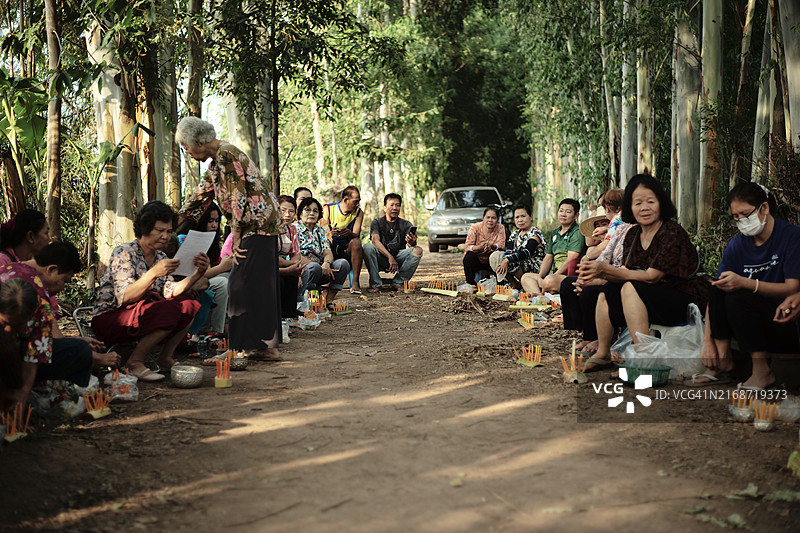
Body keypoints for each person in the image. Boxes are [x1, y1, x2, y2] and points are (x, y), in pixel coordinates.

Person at [176, 116, 285, 362]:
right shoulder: (217, 162)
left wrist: (235, 236)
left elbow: (238, 198)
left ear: (197, 141)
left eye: (186, 147)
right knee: (257, 286)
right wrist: (173, 222)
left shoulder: (227, 154)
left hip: (255, 227)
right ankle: (266, 346)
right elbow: (200, 196)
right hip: (258, 227)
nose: (188, 153)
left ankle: (237, 349)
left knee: (239, 283)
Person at [579, 174, 709, 372]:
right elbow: (626, 271)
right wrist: (596, 274)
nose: (644, 207)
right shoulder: (632, 234)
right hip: (650, 296)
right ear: (630, 208)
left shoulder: (671, 232)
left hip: (683, 299)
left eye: (650, 201)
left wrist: (605, 268)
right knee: (607, 290)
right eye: (637, 202)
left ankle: (645, 357)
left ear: (661, 203)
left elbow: (652, 276)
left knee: (630, 288)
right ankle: (603, 352)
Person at [691, 183, 800, 390]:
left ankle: (761, 371)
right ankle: (723, 359)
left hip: (783, 319)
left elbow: (792, 288)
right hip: (745, 325)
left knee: (738, 294)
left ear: (764, 208)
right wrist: (707, 340)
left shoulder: (791, 237)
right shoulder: (736, 245)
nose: (741, 220)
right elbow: (716, 289)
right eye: (736, 217)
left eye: (745, 214)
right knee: (718, 287)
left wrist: (747, 283)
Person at [93, 201, 208, 381]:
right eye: (160, 230)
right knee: (169, 310)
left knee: (189, 304)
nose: (165, 236)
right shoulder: (124, 252)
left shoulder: (161, 256)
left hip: (141, 314)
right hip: (112, 317)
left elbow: (171, 291)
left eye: (169, 231)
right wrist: (154, 273)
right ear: (145, 229)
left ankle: (165, 358)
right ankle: (134, 362)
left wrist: (197, 274)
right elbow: (124, 298)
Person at [0, 243, 102, 404]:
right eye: (64, 280)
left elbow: (34, 354)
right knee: (80, 352)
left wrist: (21, 402)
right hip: (11, 359)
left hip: (16, 357)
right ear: (52, 269)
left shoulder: (9, 269)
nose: (62, 287)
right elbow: (35, 355)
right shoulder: (40, 297)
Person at [561, 190, 631, 355]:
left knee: (588, 291)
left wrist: (593, 275)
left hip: (622, 276)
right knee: (569, 284)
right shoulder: (617, 224)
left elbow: (608, 258)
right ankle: (588, 335)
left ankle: (603, 338)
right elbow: (603, 252)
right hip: (611, 271)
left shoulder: (621, 222)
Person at [176, 202, 233, 339]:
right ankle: (213, 330)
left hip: (205, 280)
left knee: (232, 277)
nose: (214, 225)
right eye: (210, 221)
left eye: (217, 221)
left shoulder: (212, 240)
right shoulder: (183, 239)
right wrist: (221, 268)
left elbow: (214, 267)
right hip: (187, 283)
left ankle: (229, 322)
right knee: (222, 282)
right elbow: (189, 275)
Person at [521, 198, 585, 295]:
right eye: (561, 211)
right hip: (554, 275)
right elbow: (548, 258)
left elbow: (571, 259)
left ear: (576, 215)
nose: (563, 214)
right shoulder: (555, 233)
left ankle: (544, 292)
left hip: (569, 276)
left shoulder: (577, 232)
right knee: (526, 277)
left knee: (549, 281)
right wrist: (540, 277)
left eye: (568, 212)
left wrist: (554, 276)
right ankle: (541, 295)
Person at [363, 193, 423, 292]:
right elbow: (375, 241)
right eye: (391, 205)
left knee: (418, 250)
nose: (395, 208)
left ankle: (399, 281)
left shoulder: (406, 224)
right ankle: (375, 284)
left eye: (397, 205)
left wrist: (412, 242)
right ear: (385, 208)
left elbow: (411, 245)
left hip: (398, 256)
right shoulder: (377, 223)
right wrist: (389, 257)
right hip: (381, 257)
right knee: (367, 247)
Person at [295, 197, 351, 303]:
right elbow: (295, 255)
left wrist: (326, 264)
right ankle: (309, 303)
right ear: (300, 213)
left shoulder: (320, 230)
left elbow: (327, 251)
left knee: (342, 264)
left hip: (321, 268)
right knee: (314, 267)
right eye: (307, 210)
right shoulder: (294, 228)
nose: (311, 213)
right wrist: (319, 267)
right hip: (303, 268)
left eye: (315, 211)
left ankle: (328, 301)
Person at [488, 205, 544, 289]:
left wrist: (507, 260)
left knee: (510, 260)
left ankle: (529, 285)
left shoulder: (535, 232)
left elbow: (527, 252)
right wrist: (504, 260)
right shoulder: (514, 234)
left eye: (523, 216)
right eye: (517, 217)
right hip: (521, 263)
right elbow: (508, 251)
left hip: (535, 266)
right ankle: (515, 284)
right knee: (496, 256)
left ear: (530, 217)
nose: (520, 220)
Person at [321, 186, 364, 294]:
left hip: (347, 248)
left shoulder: (358, 213)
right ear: (345, 200)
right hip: (330, 247)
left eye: (358, 202)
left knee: (357, 242)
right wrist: (330, 233)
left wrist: (349, 234)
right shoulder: (328, 209)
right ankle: (325, 280)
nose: (357, 204)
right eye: (355, 202)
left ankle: (354, 282)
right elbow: (322, 232)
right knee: (326, 243)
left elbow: (356, 235)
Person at [276, 195, 304, 317]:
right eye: (283, 210)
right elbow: (271, 257)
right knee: (283, 278)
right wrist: (291, 266)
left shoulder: (292, 228)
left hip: (285, 263)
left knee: (297, 274)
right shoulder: (270, 229)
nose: (287, 214)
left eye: (291, 211)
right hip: (270, 264)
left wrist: (295, 267)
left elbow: (296, 254)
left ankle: (289, 314)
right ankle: (277, 315)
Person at [463, 207, 506, 286]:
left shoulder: (500, 228)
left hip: (491, 262)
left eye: (493, 218)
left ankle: (500, 283)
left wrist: (492, 246)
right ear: (483, 218)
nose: (490, 220)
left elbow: (501, 245)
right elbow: (467, 246)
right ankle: (470, 283)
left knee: (500, 253)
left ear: (497, 220)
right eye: (488, 217)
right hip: (477, 261)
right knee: (469, 255)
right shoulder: (475, 227)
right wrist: (478, 247)